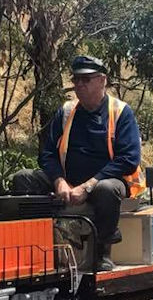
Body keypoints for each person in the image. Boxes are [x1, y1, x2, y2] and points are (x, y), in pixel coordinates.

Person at [12, 55, 141, 272]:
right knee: (23, 178)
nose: (79, 85)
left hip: (104, 181)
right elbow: (47, 154)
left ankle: (103, 252)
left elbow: (128, 159)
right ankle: (33, 247)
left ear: (102, 80)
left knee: (107, 189)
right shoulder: (66, 112)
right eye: (76, 80)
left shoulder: (120, 112)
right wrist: (59, 181)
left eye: (86, 80)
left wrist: (88, 185)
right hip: (68, 179)